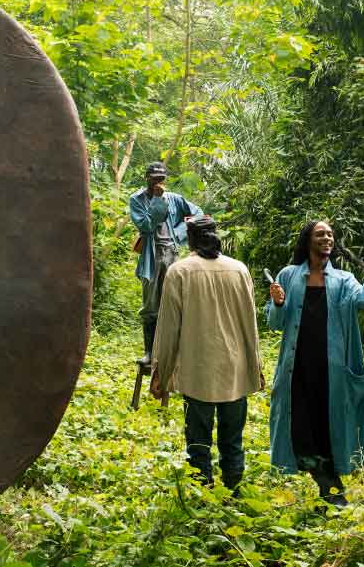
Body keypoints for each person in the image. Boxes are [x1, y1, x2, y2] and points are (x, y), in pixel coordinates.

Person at [266, 220, 364, 506]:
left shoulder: (344, 280)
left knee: (327, 433)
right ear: (307, 240)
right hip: (296, 372)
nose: (327, 238)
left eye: (331, 235)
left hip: (332, 374)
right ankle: (331, 491)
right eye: (320, 234)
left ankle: (332, 494)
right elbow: (274, 324)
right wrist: (276, 303)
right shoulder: (287, 275)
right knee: (300, 433)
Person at [149, 216, 263, 492]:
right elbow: (251, 323)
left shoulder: (180, 271)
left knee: (198, 442)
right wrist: (255, 366)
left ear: (190, 238)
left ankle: (203, 497)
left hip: (197, 372)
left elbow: (168, 329)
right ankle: (233, 494)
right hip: (234, 371)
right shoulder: (239, 269)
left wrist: (160, 373)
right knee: (232, 441)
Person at [129, 162, 202, 364]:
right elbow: (145, 224)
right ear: (147, 178)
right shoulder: (137, 199)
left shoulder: (176, 199)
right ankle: (149, 353)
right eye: (154, 179)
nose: (158, 182)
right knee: (150, 305)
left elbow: (197, 214)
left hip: (172, 253)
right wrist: (158, 200)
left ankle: (175, 352)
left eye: (161, 179)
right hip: (151, 257)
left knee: (174, 301)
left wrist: (179, 233)